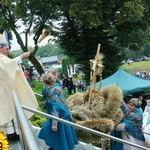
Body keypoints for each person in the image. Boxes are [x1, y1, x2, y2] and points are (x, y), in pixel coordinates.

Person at [0, 31, 38, 140]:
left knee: (11, 110)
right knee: (6, 111)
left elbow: (11, 66)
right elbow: (8, 66)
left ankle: (14, 132)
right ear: (0, 48)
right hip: (2, 91)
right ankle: (10, 133)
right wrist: (22, 57)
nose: (8, 51)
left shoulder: (3, 57)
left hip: (6, 90)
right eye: (6, 49)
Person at [38, 73, 78, 150]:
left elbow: (55, 108)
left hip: (58, 117)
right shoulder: (57, 88)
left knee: (55, 133)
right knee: (63, 137)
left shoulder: (50, 92)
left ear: (43, 81)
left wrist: (54, 123)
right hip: (65, 115)